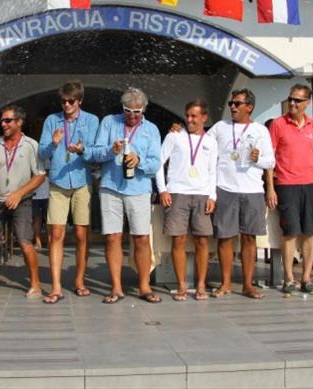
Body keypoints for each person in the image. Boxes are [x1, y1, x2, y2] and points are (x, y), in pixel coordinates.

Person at [87, 87, 162, 304]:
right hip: (111, 187)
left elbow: (156, 163)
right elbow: (94, 152)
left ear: (144, 109)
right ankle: (116, 288)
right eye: (128, 110)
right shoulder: (110, 122)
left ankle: (144, 286)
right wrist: (111, 150)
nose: (132, 115)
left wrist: (140, 161)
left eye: (137, 112)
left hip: (139, 188)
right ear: (122, 108)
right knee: (112, 237)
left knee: (141, 238)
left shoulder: (152, 130)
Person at [207, 89, 275, 299]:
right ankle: (225, 283)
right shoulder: (220, 127)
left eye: (237, 103)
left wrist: (258, 159)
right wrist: (179, 131)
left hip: (253, 189)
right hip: (225, 188)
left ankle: (247, 284)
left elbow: (270, 162)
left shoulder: (261, 130)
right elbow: (202, 144)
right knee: (225, 238)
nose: (233, 107)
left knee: (249, 238)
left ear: (249, 107)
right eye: (231, 103)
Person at [38, 81, 99, 304]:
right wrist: (54, 144)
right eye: (63, 101)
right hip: (58, 181)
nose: (66, 105)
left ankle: (80, 281)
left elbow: (96, 151)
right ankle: (56, 287)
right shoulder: (52, 120)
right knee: (56, 234)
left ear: (79, 101)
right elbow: (42, 152)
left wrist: (82, 150)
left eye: (71, 101)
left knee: (82, 234)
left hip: (82, 180)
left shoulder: (92, 120)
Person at [0, 105, 46, 298]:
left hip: (21, 200)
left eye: (8, 120)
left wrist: (19, 193)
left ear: (19, 122)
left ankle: (36, 283)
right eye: (2, 121)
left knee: (25, 242)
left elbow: (40, 176)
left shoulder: (31, 145)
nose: (3, 124)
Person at [156, 99, 218, 301]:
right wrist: (163, 190)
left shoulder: (210, 141)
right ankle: (181, 285)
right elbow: (158, 163)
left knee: (202, 240)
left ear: (204, 118)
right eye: (187, 115)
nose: (189, 119)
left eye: (194, 116)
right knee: (179, 239)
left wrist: (212, 195)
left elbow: (212, 171)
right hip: (177, 193)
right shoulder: (174, 136)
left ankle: (200, 285)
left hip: (201, 194)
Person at [268, 83, 313, 294]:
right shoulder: (278, 124)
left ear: (307, 103)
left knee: (310, 231)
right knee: (290, 231)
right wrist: (271, 188)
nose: (292, 103)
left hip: (310, 183)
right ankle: (288, 277)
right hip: (287, 183)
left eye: (297, 100)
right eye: (291, 99)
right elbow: (269, 158)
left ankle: (306, 277)